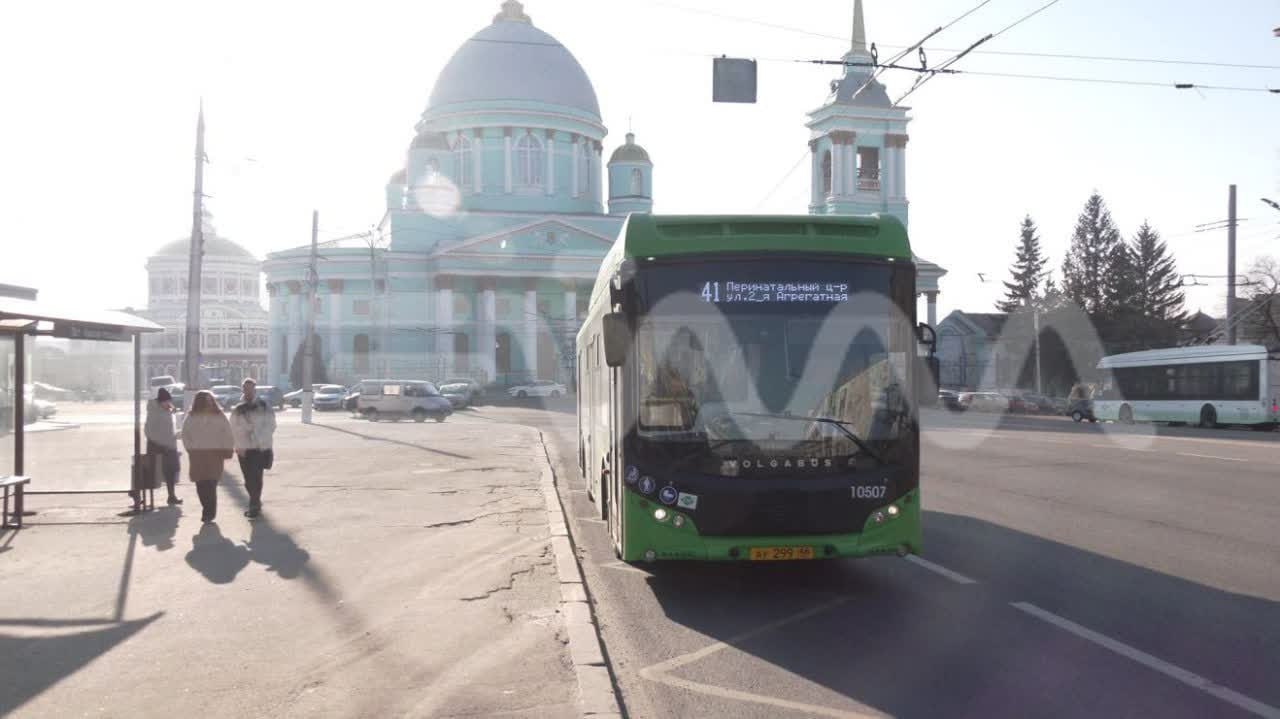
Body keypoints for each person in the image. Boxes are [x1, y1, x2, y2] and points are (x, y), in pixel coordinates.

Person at [181, 390, 235, 523]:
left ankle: (209, 513)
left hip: (214, 455)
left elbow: (228, 432)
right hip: (197, 456)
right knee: (200, 485)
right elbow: (185, 434)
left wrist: (227, 447)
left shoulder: (219, 415)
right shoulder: (192, 416)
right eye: (206, 401)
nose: (209, 404)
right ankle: (206, 508)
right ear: (199, 402)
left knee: (211, 484)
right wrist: (190, 449)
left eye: (211, 401)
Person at [230, 378, 277, 519]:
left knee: (256, 476)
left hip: (259, 447)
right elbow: (232, 427)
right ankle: (255, 501)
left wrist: (260, 436)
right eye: (245, 389)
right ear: (243, 390)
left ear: (255, 389)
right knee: (248, 478)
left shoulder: (263, 406)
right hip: (244, 449)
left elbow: (271, 425)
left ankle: (254, 505)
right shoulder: (238, 408)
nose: (248, 391)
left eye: (250, 389)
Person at [145, 387, 183, 505]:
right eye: (166, 401)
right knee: (154, 474)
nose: (169, 403)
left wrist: (175, 435)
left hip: (169, 446)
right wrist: (161, 444)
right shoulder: (154, 412)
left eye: (169, 401)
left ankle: (171, 496)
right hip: (159, 447)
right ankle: (144, 498)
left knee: (172, 471)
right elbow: (148, 431)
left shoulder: (168, 411)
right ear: (160, 401)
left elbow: (168, 429)